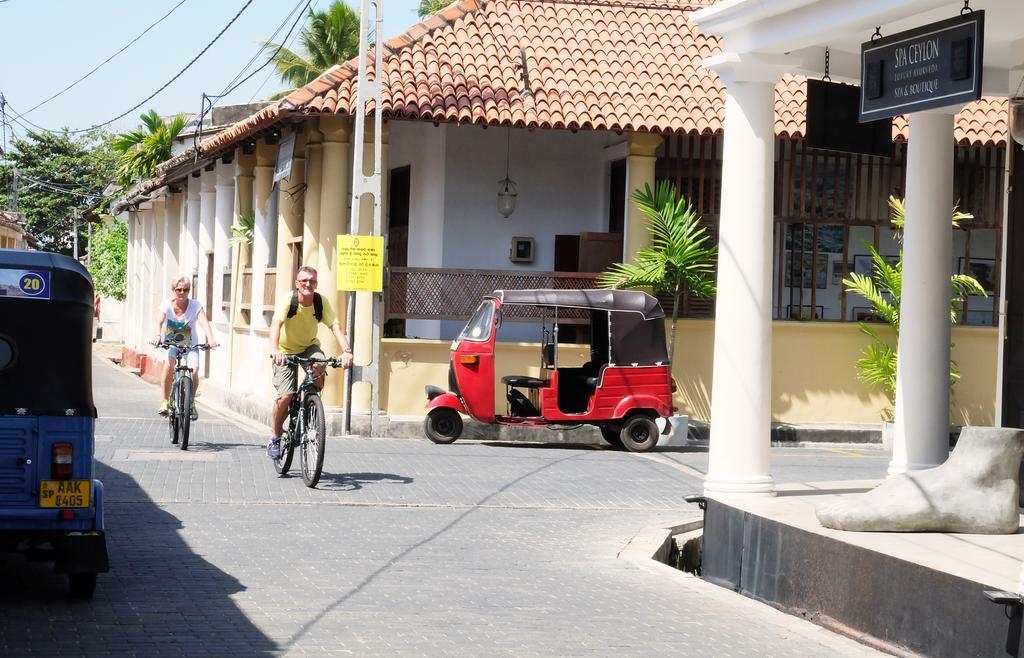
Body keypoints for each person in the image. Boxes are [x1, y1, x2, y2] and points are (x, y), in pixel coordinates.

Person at [267, 266, 353, 459]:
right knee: (286, 397)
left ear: (316, 283)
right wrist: (275, 350)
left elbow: (336, 327)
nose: (308, 284)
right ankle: (275, 435)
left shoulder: (320, 302)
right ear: (297, 284)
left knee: (321, 362)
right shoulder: (289, 300)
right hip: (285, 351)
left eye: (312, 281)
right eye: (304, 281)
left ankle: (312, 401)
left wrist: (347, 351)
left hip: (308, 347)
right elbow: (275, 325)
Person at [150, 277, 219, 419]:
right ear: (173, 290)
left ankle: (191, 402)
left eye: (185, 290)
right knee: (169, 366)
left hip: (190, 343)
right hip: (170, 342)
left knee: (194, 370)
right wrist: (157, 335)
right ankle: (165, 401)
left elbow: (204, 323)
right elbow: (159, 321)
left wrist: (210, 339)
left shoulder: (195, 305)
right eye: (179, 289)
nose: (182, 292)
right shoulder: (166, 305)